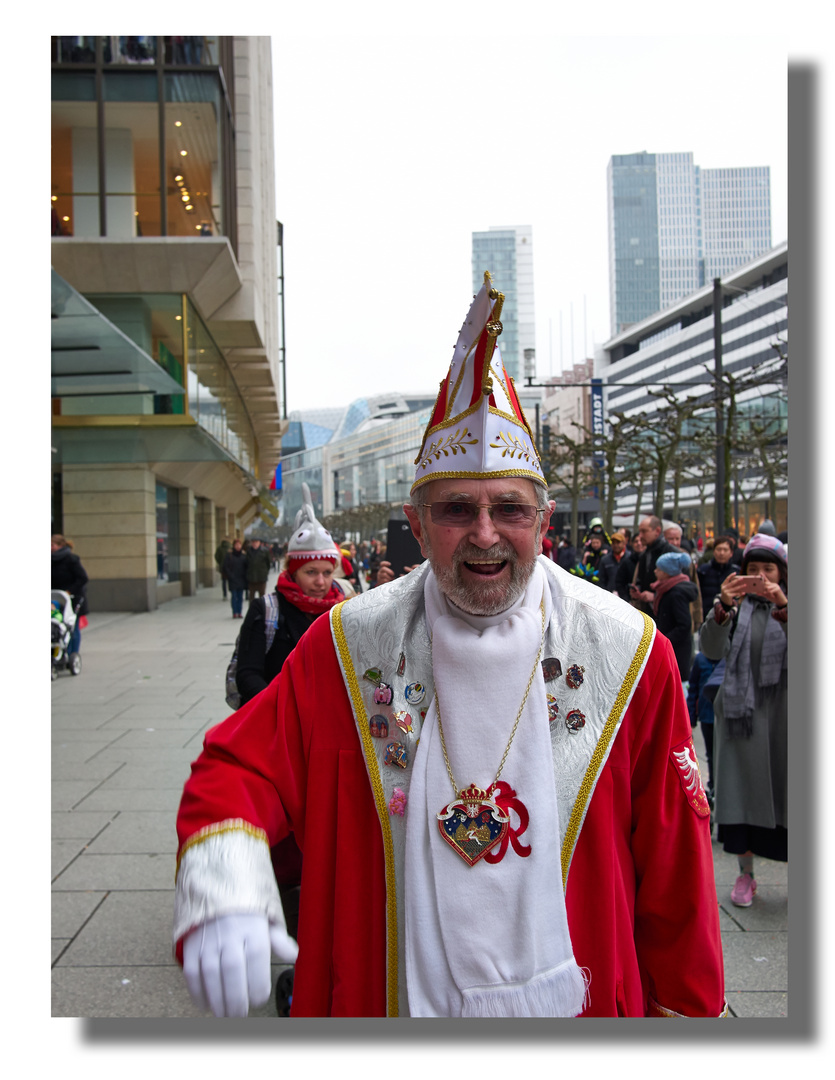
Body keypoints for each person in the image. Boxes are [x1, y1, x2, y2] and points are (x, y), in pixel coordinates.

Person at [174, 273, 725, 1018]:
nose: (485, 534)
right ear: (418, 519)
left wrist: (685, 1014)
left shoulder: (627, 651)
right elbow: (242, 764)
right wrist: (226, 871)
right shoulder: (348, 642)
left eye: (510, 510)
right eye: (456, 509)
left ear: (545, 518)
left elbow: (673, 866)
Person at [234, 486, 351, 993]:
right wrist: (287, 711)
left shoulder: (347, 605)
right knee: (281, 827)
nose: (322, 581)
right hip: (281, 733)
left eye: (328, 572)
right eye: (312, 573)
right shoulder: (268, 610)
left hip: (332, 737)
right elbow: (250, 675)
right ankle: (274, 903)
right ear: (293, 571)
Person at [699, 533, 787, 909]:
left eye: (769, 570)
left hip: (786, 719)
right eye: (754, 570)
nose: (761, 578)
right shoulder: (733, 610)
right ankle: (745, 876)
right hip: (742, 721)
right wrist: (722, 606)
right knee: (742, 796)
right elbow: (711, 650)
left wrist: (784, 606)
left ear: (782, 574)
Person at [651, 551, 698, 681]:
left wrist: (665, 640)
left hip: (677, 650)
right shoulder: (666, 589)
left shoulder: (676, 593)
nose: (655, 571)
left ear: (667, 572)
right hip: (672, 647)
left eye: (658, 569)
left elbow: (684, 624)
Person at [687, 650, 720, 803]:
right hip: (707, 716)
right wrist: (691, 717)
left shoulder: (727, 657)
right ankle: (713, 785)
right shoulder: (700, 659)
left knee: (721, 754)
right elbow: (693, 689)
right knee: (711, 754)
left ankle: (719, 785)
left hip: (723, 717)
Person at [628, 516, 677, 618]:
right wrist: (638, 592)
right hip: (649, 614)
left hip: (669, 616)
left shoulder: (672, 554)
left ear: (657, 531)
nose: (640, 535)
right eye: (639, 531)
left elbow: (681, 588)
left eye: (644, 531)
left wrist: (654, 596)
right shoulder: (644, 555)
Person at [51, 534, 89, 653]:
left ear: (61, 545)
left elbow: (82, 578)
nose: (50, 548)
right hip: (54, 598)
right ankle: (58, 653)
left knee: (72, 627)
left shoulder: (71, 559)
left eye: (53, 545)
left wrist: (68, 591)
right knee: (56, 626)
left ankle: (72, 653)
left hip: (72, 598)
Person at [697, 535, 737, 622]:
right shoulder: (703, 570)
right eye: (719, 549)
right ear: (714, 551)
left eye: (725, 550)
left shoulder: (736, 572)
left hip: (730, 618)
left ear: (731, 553)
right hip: (707, 616)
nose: (721, 553)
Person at [614, 532, 644, 602]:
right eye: (636, 541)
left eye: (641, 541)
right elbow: (619, 582)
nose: (639, 543)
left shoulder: (650, 561)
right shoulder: (627, 562)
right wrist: (626, 599)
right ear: (632, 544)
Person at [222, 539, 247, 619]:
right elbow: (225, 566)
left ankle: (239, 612)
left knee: (240, 596)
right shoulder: (229, 555)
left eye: (239, 545)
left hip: (241, 579)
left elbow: (246, 566)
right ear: (233, 546)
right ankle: (234, 612)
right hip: (232, 579)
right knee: (234, 596)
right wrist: (230, 575)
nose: (238, 546)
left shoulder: (243, 556)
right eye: (236, 545)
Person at [246, 538, 271, 602]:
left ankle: (261, 611)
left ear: (259, 542)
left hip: (261, 578)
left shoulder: (265, 551)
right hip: (251, 579)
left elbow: (268, 563)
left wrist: (265, 572)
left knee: (262, 597)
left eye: (256, 542)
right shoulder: (248, 552)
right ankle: (252, 611)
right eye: (253, 542)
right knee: (251, 598)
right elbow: (246, 564)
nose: (254, 543)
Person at [214, 536, 232, 600]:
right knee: (230, 580)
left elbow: (216, 556)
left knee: (224, 581)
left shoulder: (220, 548)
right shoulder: (231, 547)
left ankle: (225, 595)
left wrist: (220, 562)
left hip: (223, 567)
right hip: (230, 567)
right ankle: (232, 593)